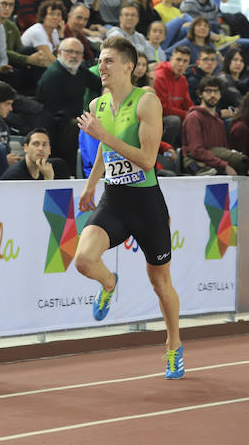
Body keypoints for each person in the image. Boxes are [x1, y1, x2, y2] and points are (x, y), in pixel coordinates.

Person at [75, 35, 183, 378]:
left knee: (160, 283)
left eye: (108, 61)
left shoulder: (146, 102)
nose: (101, 67)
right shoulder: (97, 106)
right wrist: (91, 184)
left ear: (129, 67)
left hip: (146, 204)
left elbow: (148, 159)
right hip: (114, 200)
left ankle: (173, 345)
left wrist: (104, 136)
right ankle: (109, 283)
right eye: (100, 61)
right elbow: (106, 156)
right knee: (83, 259)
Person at [35, 37, 101, 173]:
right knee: (82, 127)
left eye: (78, 53)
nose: (74, 56)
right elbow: (51, 111)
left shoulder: (79, 70)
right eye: (70, 52)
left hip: (74, 119)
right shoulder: (53, 75)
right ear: (59, 52)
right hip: (55, 124)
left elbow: (99, 85)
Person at [152, 44, 192, 146]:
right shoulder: (159, 76)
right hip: (156, 118)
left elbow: (188, 104)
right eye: (178, 60)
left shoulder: (182, 79)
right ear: (171, 59)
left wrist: (195, 113)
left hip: (175, 116)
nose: (181, 64)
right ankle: (162, 152)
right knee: (174, 121)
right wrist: (186, 114)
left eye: (185, 61)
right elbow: (163, 109)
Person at [0, 127, 64, 180]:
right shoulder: (14, 175)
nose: (41, 148)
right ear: (25, 148)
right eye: (36, 144)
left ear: (49, 150)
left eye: (45, 144)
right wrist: (48, 179)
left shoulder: (58, 167)